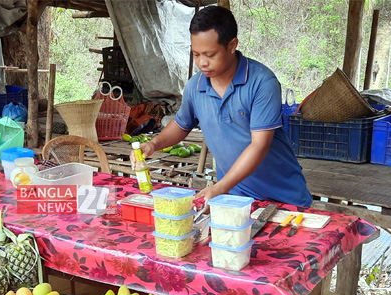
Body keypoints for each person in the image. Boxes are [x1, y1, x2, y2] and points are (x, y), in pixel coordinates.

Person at [134, 6, 312, 207]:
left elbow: (259, 145)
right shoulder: (195, 86)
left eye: (210, 54)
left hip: (283, 197)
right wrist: (154, 144)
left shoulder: (262, 83)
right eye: (196, 54)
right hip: (236, 198)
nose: (202, 63)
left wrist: (219, 187)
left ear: (232, 45)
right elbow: (182, 125)